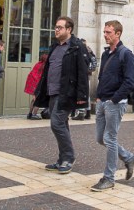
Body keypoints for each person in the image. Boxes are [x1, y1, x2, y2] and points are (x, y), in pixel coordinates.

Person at [33, 16, 90, 175]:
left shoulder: (77, 47)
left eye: (60, 27)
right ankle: (61, 159)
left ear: (69, 29)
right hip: (52, 91)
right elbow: (47, 71)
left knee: (56, 123)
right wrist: (40, 90)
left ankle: (69, 158)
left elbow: (82, 73)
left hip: (66, 93)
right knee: (62, 124)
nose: (56, 30)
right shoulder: (54, 47)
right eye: (56, 27)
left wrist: (82, 96)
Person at [90, 19, 134, 192]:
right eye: (104, 32)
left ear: (118, 34)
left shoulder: (126, 54)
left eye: (108, 32)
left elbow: (131, 81)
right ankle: (128, 157)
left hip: (115, 103)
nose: (105, 35)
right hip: (103, 101)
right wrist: (98, 97)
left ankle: (109, 178)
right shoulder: (105, 54)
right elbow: (102, 77)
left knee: (110, 138)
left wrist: (115, 99)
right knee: (100, 138)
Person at [73, 38, 97, 120]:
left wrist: (86, 70)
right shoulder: (89, 51)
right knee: (86, 94)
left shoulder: (86, 51)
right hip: (86, 74)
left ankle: (81, 112)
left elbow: (92, 64)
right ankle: (87, 112)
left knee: (83, 93)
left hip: (85, 74)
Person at [24, 53, 48, 120]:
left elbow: (32, 73)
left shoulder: (38, 64)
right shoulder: (45, 66)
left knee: (34, 100)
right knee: (38, 100)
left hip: (33, 83)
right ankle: (34, 114)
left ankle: (30, 114)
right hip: (39, 84)